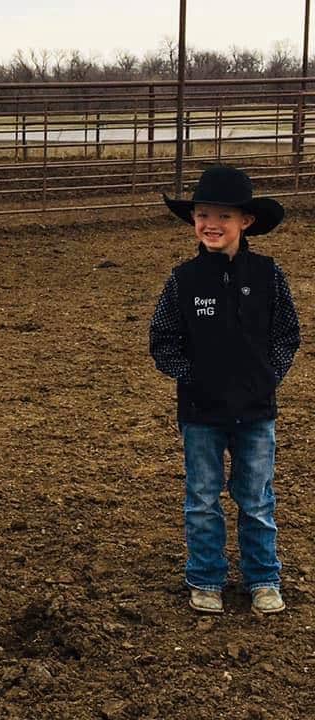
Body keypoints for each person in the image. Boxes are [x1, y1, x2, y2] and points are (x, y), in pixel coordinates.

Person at [149, 164, 300, 615]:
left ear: (246, 222)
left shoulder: (269, 276)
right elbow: (162, 340)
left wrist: (267, 376)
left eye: (223, 217)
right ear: (193, 220)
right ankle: (206, 577)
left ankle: (262, 577)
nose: (211, 225)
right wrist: (195, 378)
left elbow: (286, 334)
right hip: (201, 412)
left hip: (256, 410)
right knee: (201, 498)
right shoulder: (183, 281)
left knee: (256, 498)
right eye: (202, 215)